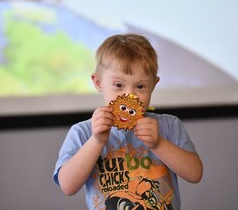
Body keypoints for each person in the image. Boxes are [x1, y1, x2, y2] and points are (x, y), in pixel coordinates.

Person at [53, 33, 203, 210]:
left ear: (154, 84)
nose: (130, 95)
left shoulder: (168, 126)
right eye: (118, 85)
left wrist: (158, 144)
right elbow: (68, 186)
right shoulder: (83, 132)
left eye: (140, 86)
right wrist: (96, 141)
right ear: (98, 82)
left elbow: (195, 174)